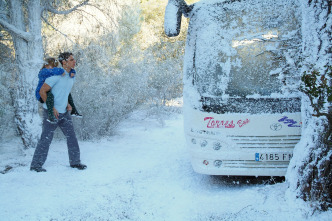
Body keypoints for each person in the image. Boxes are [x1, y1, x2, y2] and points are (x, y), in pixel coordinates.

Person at [30, 52, 87, 172]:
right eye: (71, 60)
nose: (74, 61)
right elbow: (42, 92)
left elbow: (63, 91)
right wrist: (52, 108)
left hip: (64, 113)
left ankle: (75, 162)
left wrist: (67, 104)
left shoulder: (71, 76)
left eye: (74, 59)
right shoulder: (55, 76)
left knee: (72, 137)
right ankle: (36, 165)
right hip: (51, 113)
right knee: (46, 139)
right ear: (64, 62)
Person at [35, 57, 82, 123]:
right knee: (50, 96)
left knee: (67, 92)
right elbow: (53, 71)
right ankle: (51, 115)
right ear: (46, 65)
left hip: (50, 91)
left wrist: (72, 72)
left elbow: (66, 70)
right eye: (52, 66)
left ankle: (74, 110)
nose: (53, 68)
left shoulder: (53, 71)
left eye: (55, 66)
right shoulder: (43, 71)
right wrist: (60, 71)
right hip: (40, 93)